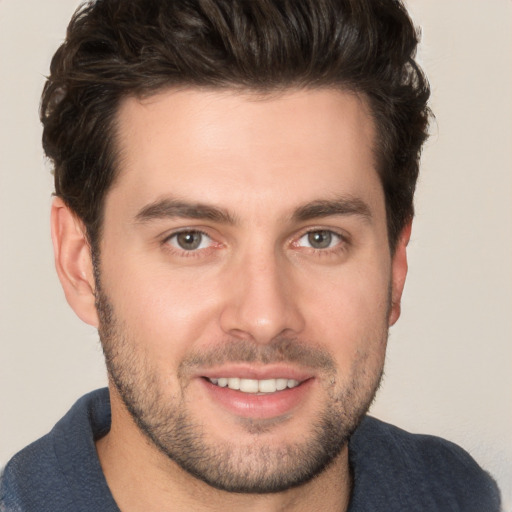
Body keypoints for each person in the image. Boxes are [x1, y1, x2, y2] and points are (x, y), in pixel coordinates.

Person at [0, 0, 502, 510]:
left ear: (395, 268)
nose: (264, 317)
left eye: (320, 238)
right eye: (189, 239)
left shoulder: (463, 497)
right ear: (80, 262)